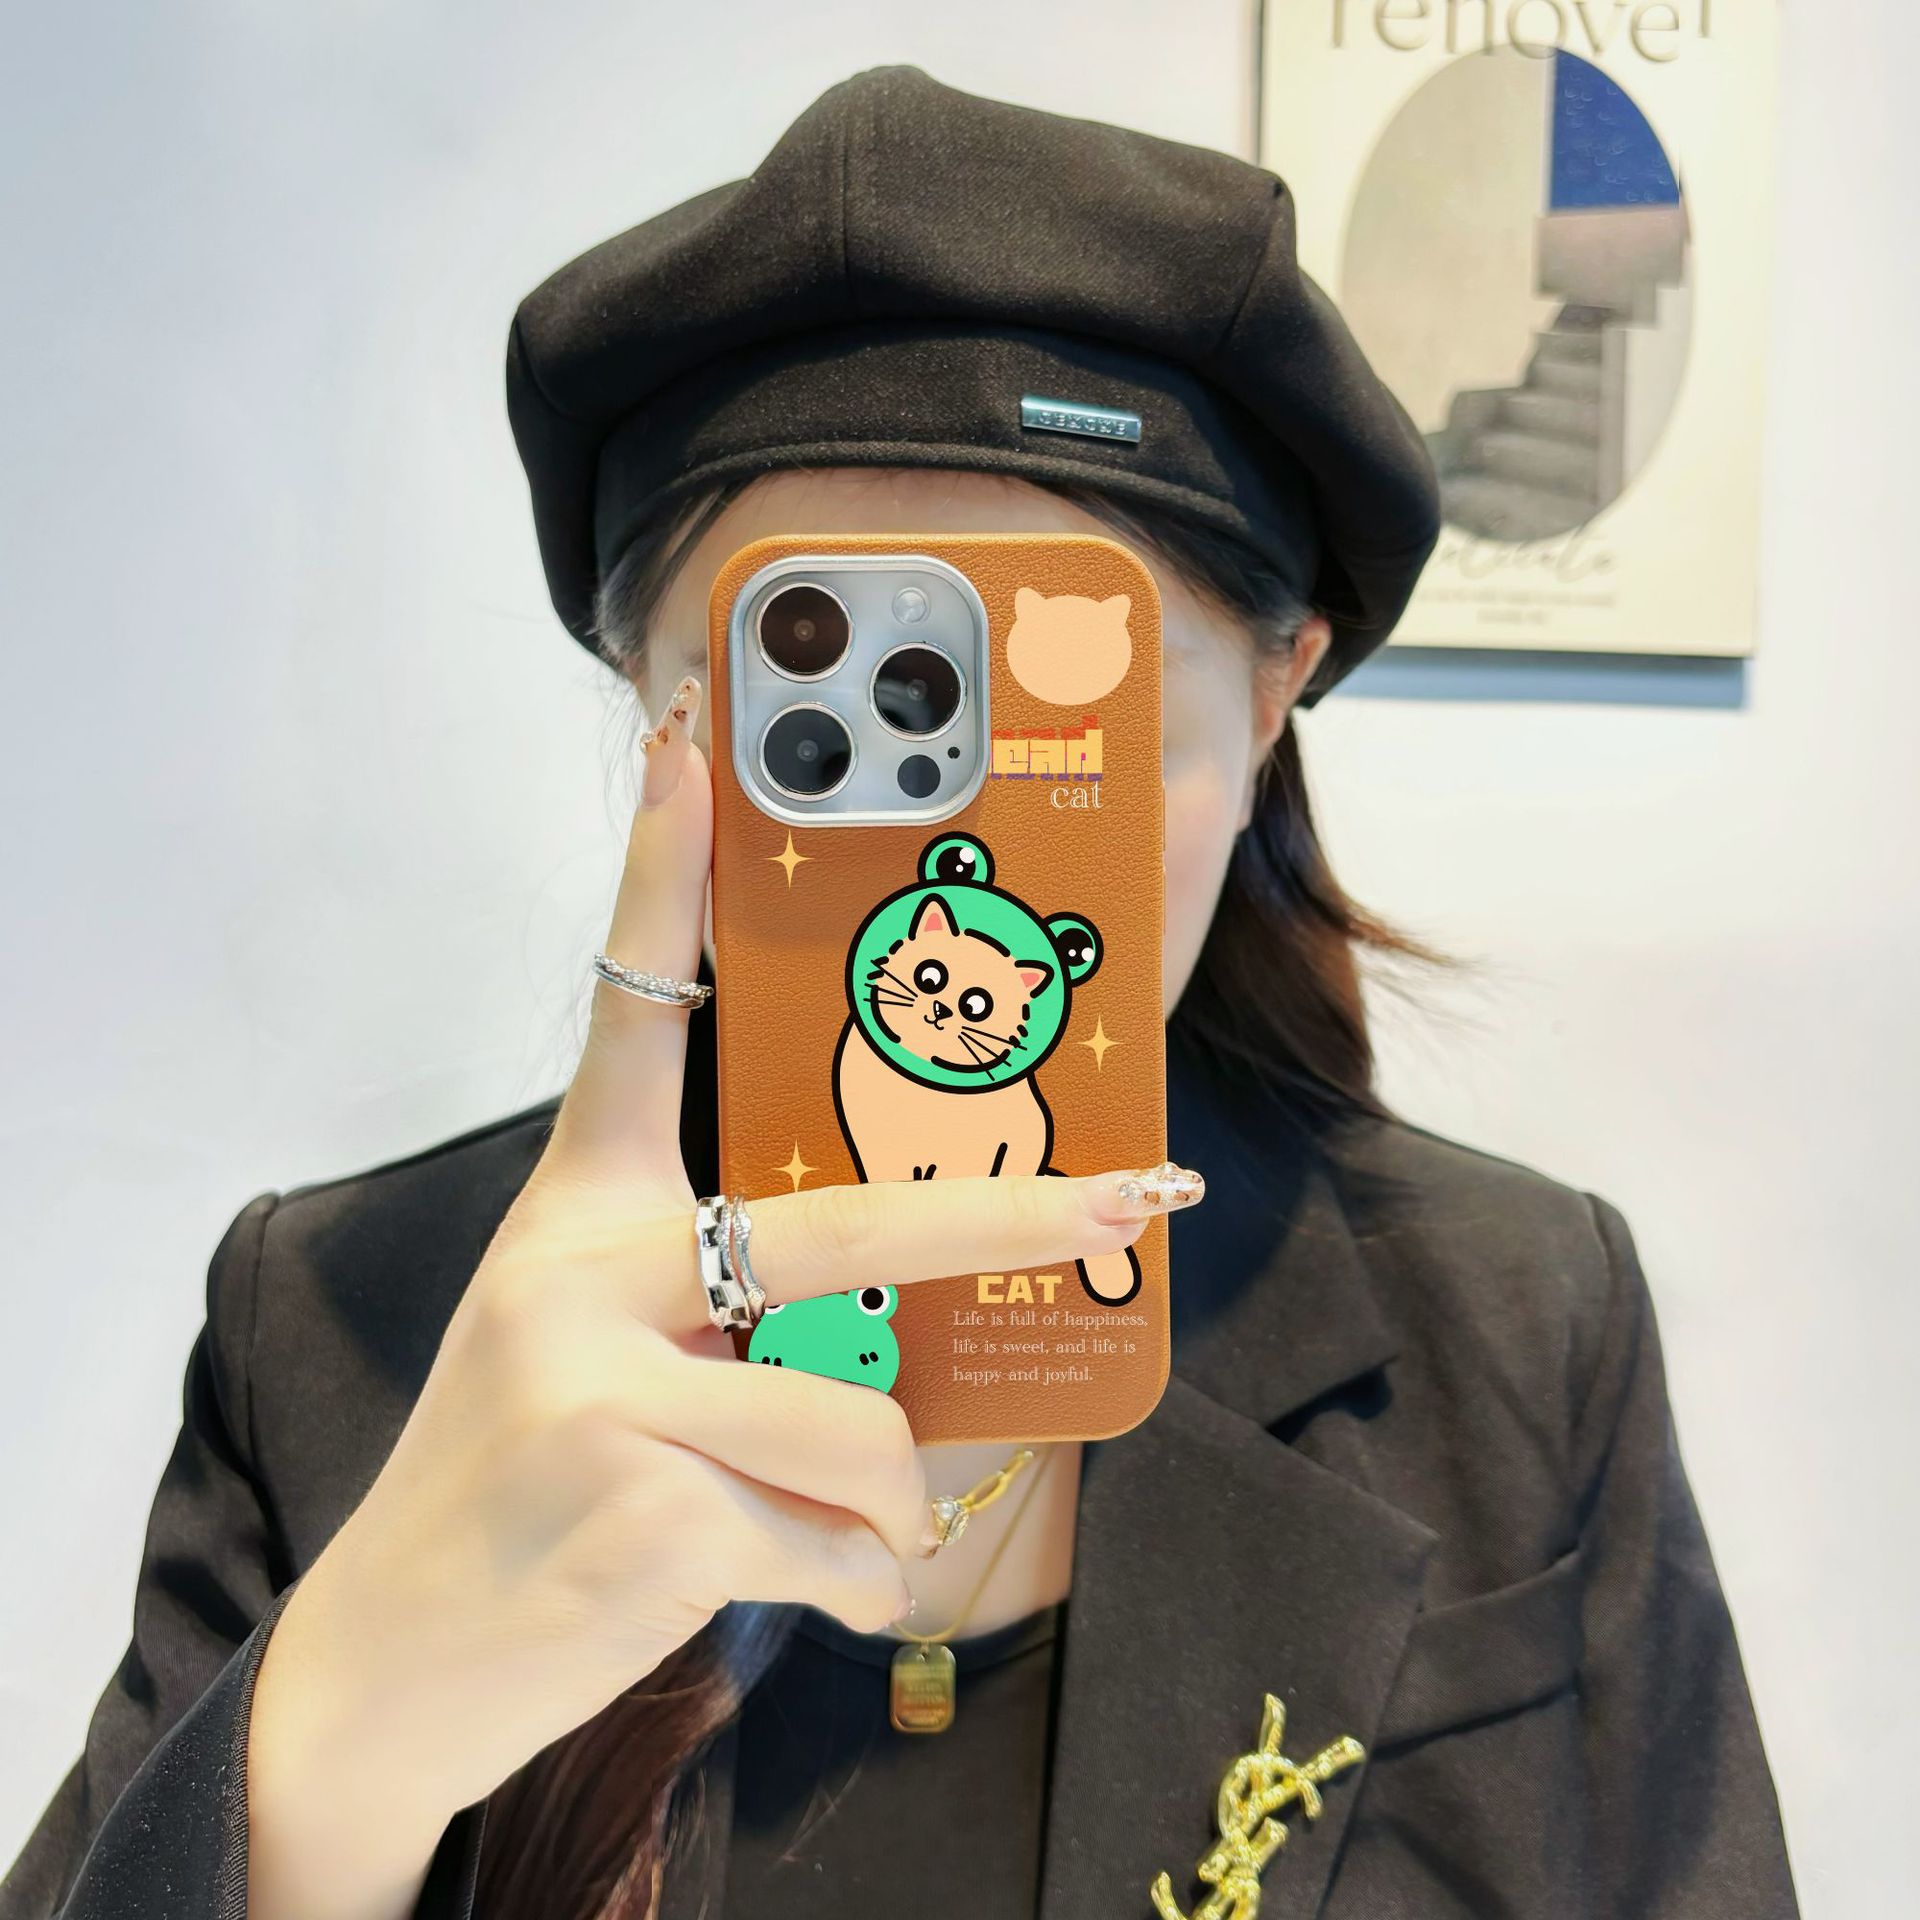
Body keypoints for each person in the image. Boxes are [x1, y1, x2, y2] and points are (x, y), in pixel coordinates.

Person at [1, 65, 1799, 1920]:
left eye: (1069, 738)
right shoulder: (345, 1337)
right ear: (657, 717)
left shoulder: (1514, 1332)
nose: (961, 844)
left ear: (1273, 702)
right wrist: (333, 1750)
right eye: (816, 735)